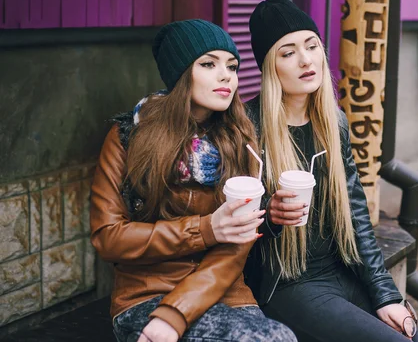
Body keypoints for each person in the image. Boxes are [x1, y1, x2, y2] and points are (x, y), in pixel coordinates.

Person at [90, 19, 297, 342]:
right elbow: (108, 237)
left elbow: (236, 247)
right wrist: (205, 230)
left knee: (279, 338)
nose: (226, 75)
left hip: (225, 292)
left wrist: (177, 313)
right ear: (181, 74)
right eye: (208, 64)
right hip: (146, 295)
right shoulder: (128, 138)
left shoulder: (241, 141)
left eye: (232, 66)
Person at [244, 0, 418, 342]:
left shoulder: (333, 123)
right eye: (287, 53)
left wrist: (384, 293)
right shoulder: (247, 129)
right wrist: (269, 215)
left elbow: (356, 211)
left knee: (416, 338)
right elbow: (230, 223)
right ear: (269, 66)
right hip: (287, 284)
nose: (305, 59)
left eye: (312, 45)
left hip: (340, 270)